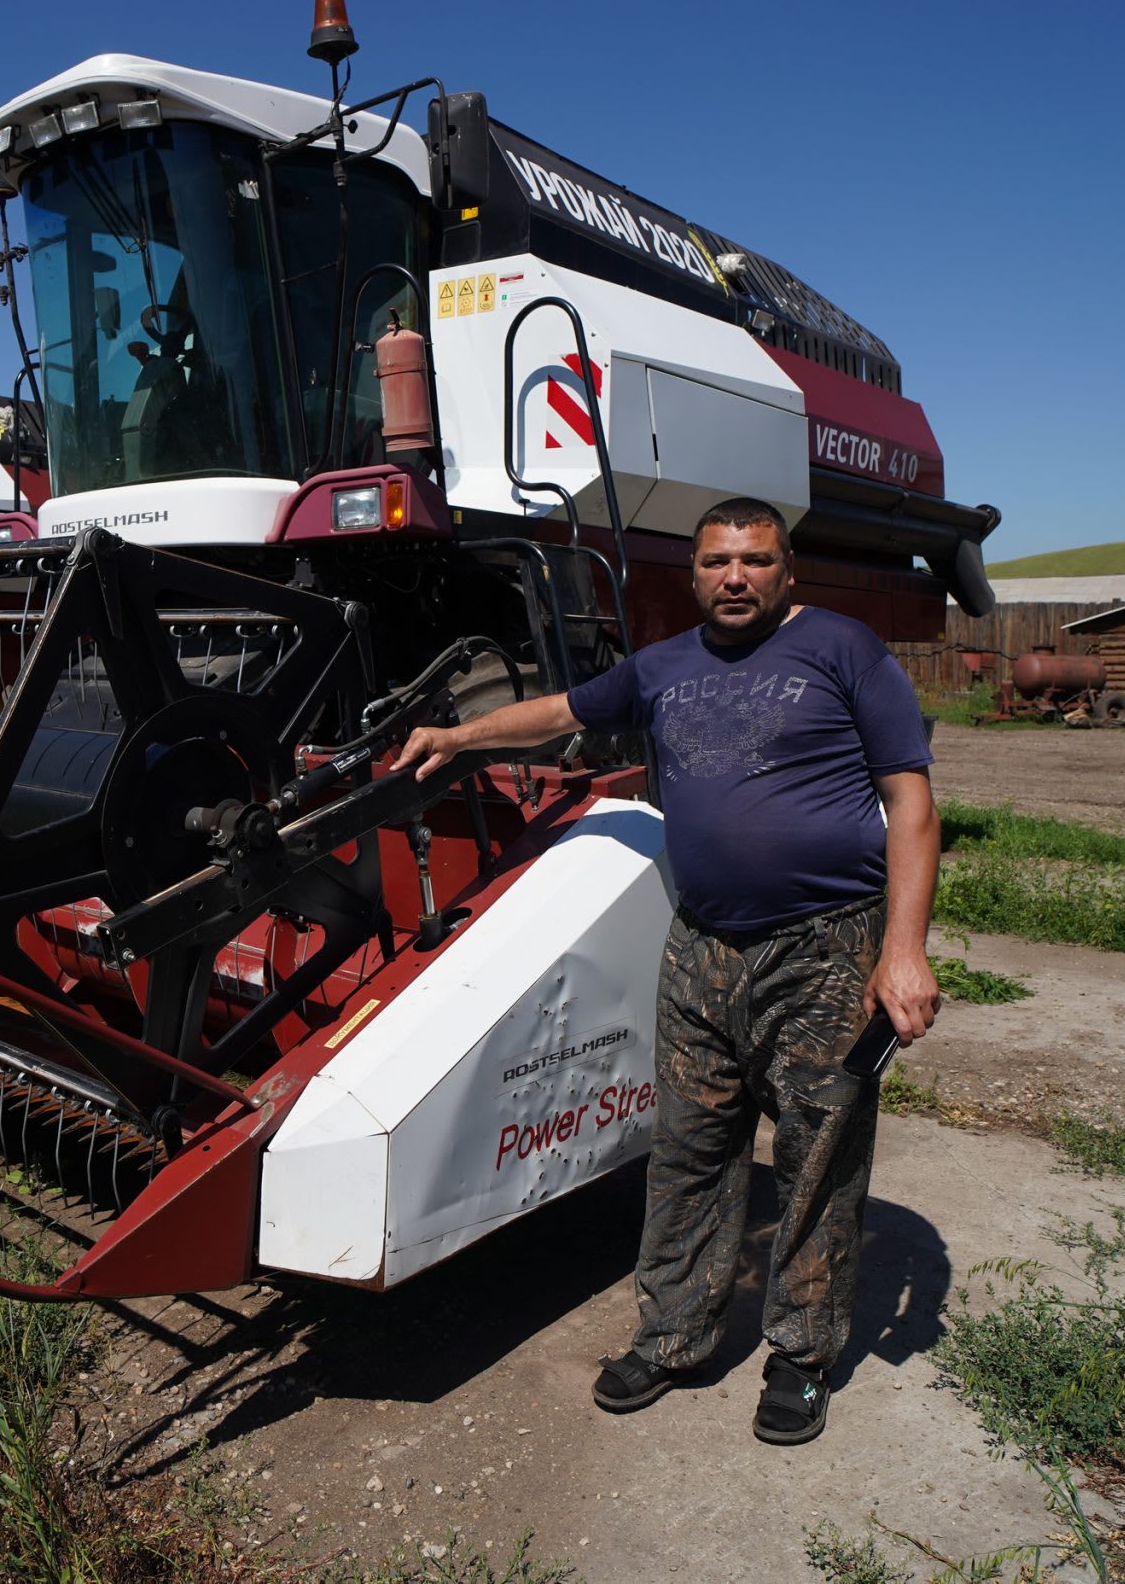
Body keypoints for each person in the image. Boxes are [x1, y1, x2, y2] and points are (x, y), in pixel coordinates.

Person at [397, 496, 941, 1444]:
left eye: (756, 560)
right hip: (701, 945)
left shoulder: (843, 649)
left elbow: (913, 803)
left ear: (787, 571)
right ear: (692, 574)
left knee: (817, 1151)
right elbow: (561, 711)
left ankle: (801, 1355)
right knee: (690, 1146)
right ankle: (675, 1334)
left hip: (824, 947)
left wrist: (904, 948)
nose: (736, 576)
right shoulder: (663, 667)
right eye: (718, 561)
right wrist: (456, 738)